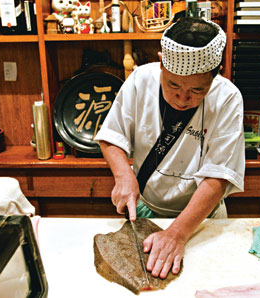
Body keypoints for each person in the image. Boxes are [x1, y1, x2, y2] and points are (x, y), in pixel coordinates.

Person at [94, 17, 245, 279]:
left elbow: (219, 175)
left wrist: (177, 233)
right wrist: (123, 175)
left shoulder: (228, 98)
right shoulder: (141, 79)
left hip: (201, 219)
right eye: (173, 85)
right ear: (162, 62)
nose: (183, 98)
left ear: (216, 73)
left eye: (197, 90)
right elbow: (111, 135)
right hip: (147, 208)